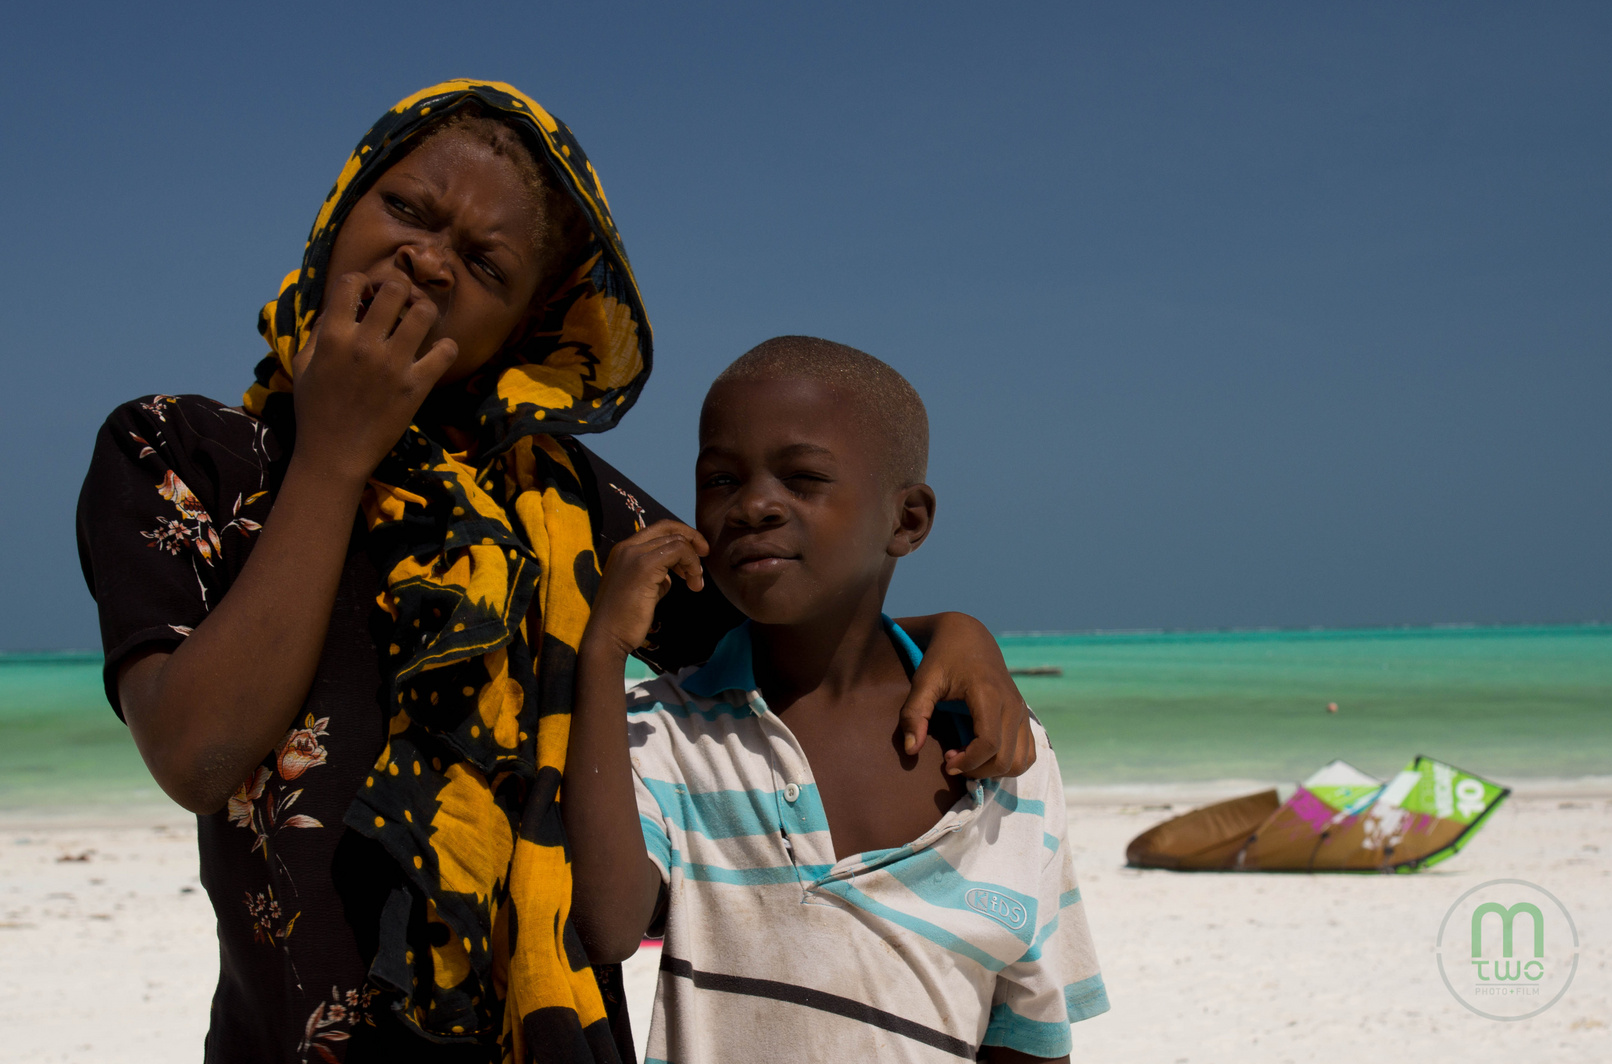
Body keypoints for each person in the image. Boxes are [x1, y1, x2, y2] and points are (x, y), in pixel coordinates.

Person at [74, 82, 1036, 1064]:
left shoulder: (565, 503)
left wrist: (946, 632)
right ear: (343, 206)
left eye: (485, 263)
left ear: (528, 327)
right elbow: (193, 751)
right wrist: (333, 456)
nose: (427, 257)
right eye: (404, 208)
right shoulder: (183, 452)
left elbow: (785, 634)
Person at [565, 337, 1109, 1063]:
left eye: (803, 477)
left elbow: (1030, 1032)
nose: (753, 504)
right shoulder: (668, 733)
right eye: (720, 479)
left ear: (907, 520)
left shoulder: (1000, 749)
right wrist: (602, 653)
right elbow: (609, 926)